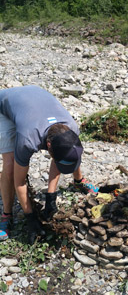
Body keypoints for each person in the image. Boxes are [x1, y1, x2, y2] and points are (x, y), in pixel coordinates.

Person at [0, 85, 98, 244]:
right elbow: (20, 182)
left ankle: (78, 181)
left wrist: (50, 197)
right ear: (48, 146)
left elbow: (61, 156)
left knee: (70, 151)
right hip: (4, 105)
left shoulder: (71, 129)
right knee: (10, 168)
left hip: (35, 98)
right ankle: (6, 215)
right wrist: (30, 217)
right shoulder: (28, 139)